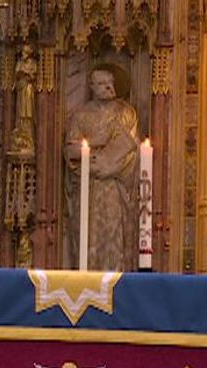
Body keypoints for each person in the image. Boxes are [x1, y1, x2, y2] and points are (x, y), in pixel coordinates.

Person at [65, 64, 140, 271]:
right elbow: (71, 151)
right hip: (88, 186)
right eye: (101, 83)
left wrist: (109, 167)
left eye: (110, 83)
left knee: (113, 236)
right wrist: (96, 143)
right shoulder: (81, 115)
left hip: (114, 189)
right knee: (88, 238)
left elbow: (131, 150)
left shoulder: (126, 113)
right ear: (91, 86)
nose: (108, 88)